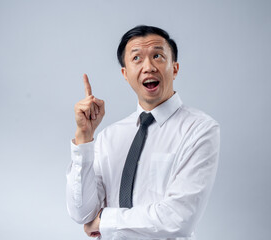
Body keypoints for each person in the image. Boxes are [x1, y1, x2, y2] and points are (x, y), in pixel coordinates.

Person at [66, 25, 220, 240]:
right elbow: (81, 212)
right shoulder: (110, 136)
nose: (148, 67)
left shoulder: (199, 129)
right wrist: (84, 138)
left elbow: (179, 218)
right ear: (125, 74)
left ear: (174, 68)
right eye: (137, 58)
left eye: (158, 56)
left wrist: (105, 221)